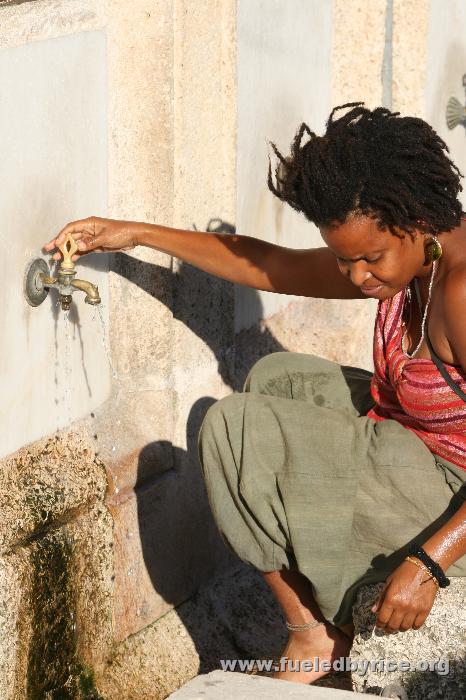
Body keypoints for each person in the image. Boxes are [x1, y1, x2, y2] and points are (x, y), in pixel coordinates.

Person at [43, 102, 466, 686]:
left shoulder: (461, 292)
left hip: (452, 498)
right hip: (411, 450)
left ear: (416, 219)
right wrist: (131, 234)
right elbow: (270, 265)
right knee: (278, 381)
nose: (357, 278)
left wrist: (429, 564)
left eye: (370, 259)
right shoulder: (409, 256)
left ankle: (314, 635)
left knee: (231, 428)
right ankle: (317, 627)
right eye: (345, 260)